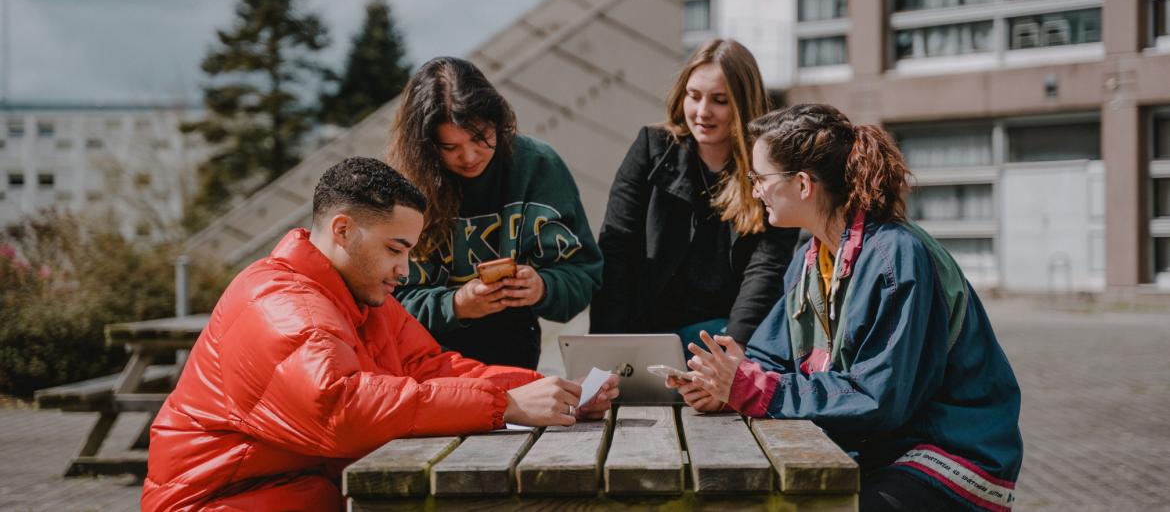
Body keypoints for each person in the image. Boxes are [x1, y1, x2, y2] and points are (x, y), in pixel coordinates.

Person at [142, 157, 617, 511]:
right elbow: (341, 408)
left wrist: (548, 393)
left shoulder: (361, 295)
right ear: (343, 231)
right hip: (219, 502)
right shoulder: (284, 305)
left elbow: (432, 367)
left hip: (304, 492)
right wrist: (504, 407)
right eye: (396, 249)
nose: (404, 270)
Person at [672, 104, 1023, 511]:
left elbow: (877, 398)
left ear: (802, 183)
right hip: (879, 449)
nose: (754, 191)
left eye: (759, 178)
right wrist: (727, 386)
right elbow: (771, 358)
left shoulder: (896, 256)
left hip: (951, 456)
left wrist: (755, 388)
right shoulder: (810, 259)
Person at [389, 57, 602, 370]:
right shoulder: (402, 184)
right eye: (451, 147)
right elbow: (383, 302)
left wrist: (542, 287)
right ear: (425, 147)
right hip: (423, 361)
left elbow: (584, 274)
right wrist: (456, 305)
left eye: (481, 138)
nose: (470, 156)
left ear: (499, 122)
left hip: (514, 357)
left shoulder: (539, 166)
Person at [589, 38, 798, 355]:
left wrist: (737, 346)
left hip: (724, 331)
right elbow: (616, 246)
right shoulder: (652, 148)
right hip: (649, 331)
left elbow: (768, 265)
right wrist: (605, 349)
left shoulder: (769, 165)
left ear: (743, 104)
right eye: (694, 96)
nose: (702, 112)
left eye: (719, 100)